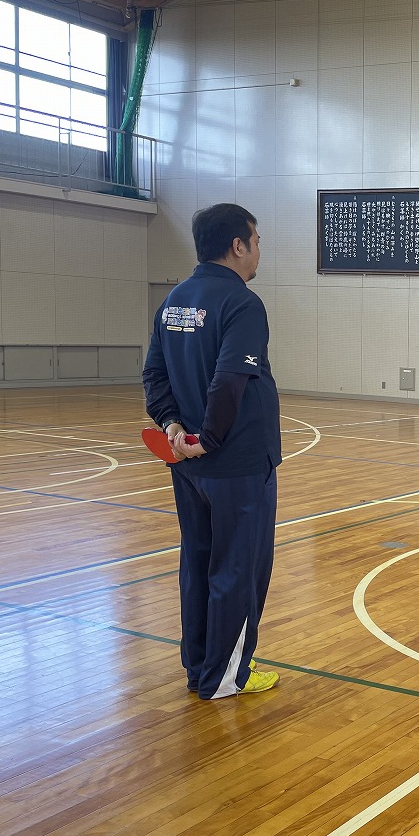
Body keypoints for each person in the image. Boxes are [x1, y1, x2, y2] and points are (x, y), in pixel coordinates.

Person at [142, 202, 281, 699]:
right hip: (237, 464)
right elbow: (229, 381)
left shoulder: (175, 301)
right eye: (257, 240)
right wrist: (208, 439)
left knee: (198, 562)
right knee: (238, 569)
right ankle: (223, 677)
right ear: (238, 245)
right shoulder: (243, 304)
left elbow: (153, 376)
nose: (260, 250)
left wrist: (173, 426)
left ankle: (200, 667)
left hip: (189, 464)